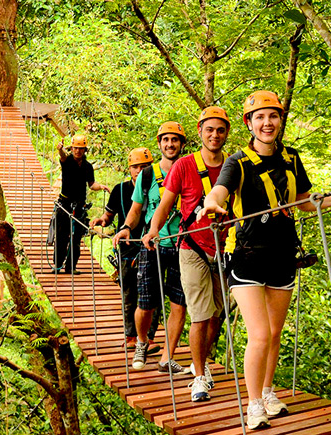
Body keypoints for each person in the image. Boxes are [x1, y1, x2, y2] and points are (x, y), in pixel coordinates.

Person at [197, 91, 331, 429]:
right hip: (245, 255)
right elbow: (220, 191)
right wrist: (212, 202)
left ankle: (268, 392)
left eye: (272, 116)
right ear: (249, 123)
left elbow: (301, 200)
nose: (267, 123)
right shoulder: (237, 162)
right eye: (259, 117)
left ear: (280, 121)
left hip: (283, 253)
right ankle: (253, 404)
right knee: (258, 334)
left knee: (273, 333)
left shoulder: (292, 158)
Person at [143, 106, 231, 402]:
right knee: (200, 314)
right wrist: (154, 229)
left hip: (224, 248)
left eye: (220, 130)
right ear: (200, 132)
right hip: (190, 246)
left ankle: (199, 362)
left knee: (218, 313)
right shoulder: (184, 165)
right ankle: (198, 377)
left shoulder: (233, 166)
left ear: (226, 133)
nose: (214, 135)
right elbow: (166, 203)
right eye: (209, 130)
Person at [113, 122, 189, 374]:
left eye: (175, 140)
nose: (170, 144)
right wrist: (125, 227)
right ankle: (142, 341)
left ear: (181, 144)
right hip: (152, 244)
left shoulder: (190, 170)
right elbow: (136, 211)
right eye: (166, 140)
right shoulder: (147, 176)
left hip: (184, 246)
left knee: (179, 304)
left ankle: (167, 357)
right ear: (159, 144)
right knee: (146, 304)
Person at [90, 148, 161, 352]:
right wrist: (101, 221)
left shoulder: (159, 188)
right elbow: (109, 215)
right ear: (129, 168)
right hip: (128, 249)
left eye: (144, 166)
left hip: (152, 246)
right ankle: (131, 336)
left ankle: (148, 337)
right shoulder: (120, 190)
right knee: (129, 294)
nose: (140, 170)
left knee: (152, 295)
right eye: (136, 166)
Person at [52, 135, 110, 274]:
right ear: (71, 148)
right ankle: (58, 265)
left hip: (79, 206)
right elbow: (62, 157)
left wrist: (101, 186)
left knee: (76, 237)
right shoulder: (67, 161)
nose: (78, 151)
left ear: (84, 150)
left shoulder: (87, 166)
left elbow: (91, 184)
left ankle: (71, 267)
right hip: (64, 204)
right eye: (75, 148)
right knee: (61, 235)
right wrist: (60, 150)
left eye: (80, 148)